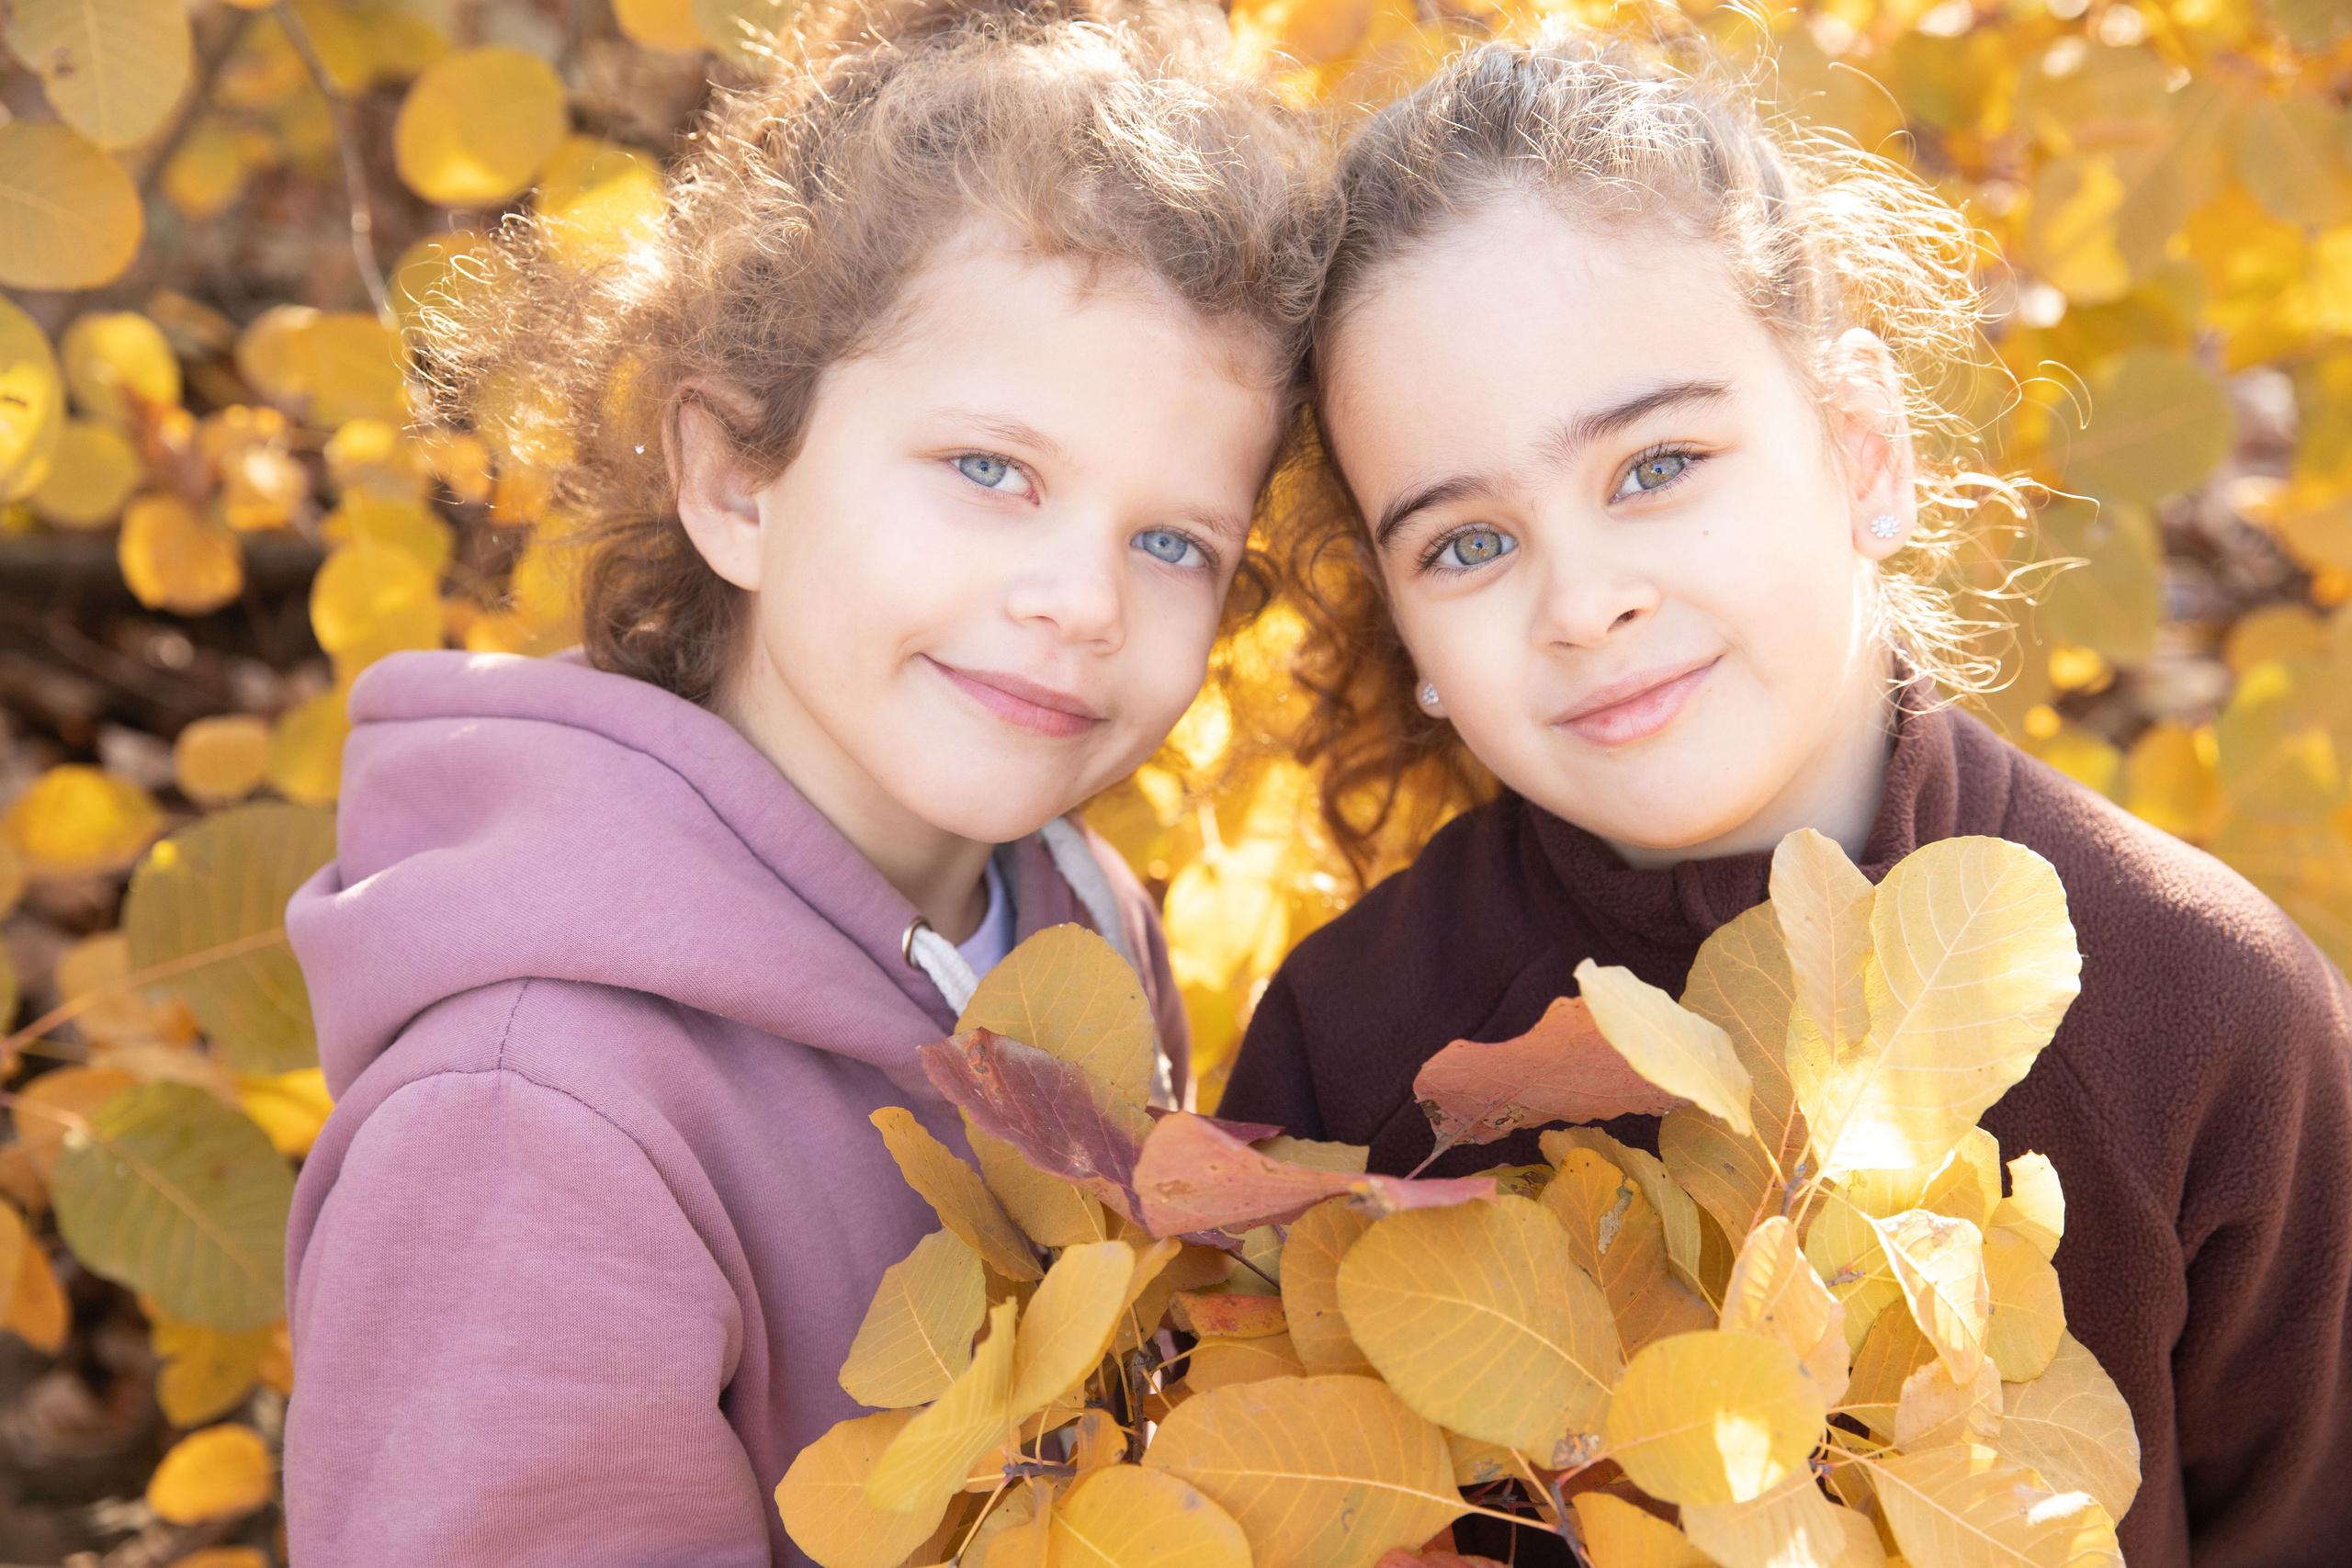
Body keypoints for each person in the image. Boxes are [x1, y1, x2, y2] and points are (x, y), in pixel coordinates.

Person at [1220, 31, 2352, 1568]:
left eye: (1656, 465)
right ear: (1406, 634)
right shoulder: (1357, 1043)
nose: (1584, 601)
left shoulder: (2207, 1016)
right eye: (1466, 544)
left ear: (1863, 452)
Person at [281, 1, 1323, 1559]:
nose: (1082, 600)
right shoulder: (532, 1118)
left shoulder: (1075, 919)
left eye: (1173, 540)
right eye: (992, 471)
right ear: (737, 481)